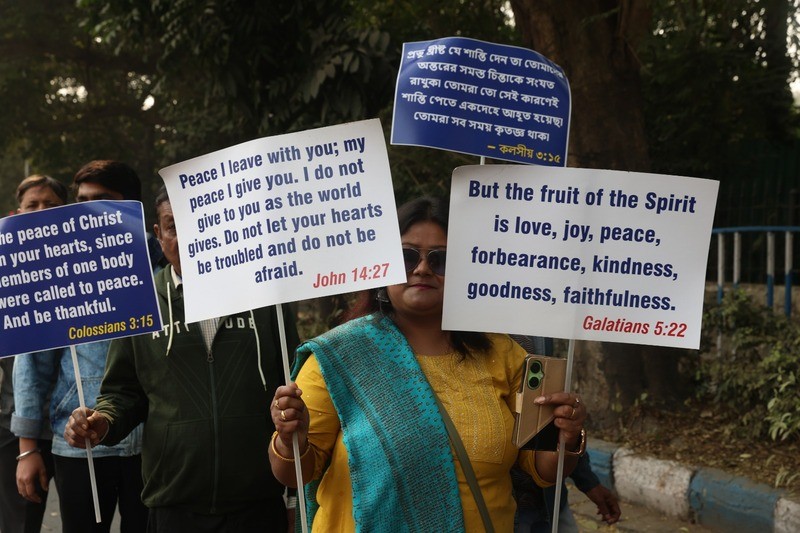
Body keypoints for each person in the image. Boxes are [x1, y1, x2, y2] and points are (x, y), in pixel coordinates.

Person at [268, 196, 587, 532]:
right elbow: (293, 473)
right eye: (406, 256)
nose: (422, 269)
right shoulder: (339, 356)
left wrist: (569, 437)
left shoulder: (506, 356)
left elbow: (542, 468)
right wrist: (291, 440)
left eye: (441, 260)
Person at [64, 186, 300, 533]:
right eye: (174, 226)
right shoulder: (139, 300)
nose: (189, 237)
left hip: (259, 500)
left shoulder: (265, 298)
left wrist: (293, 493)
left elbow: (295, 380)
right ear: (158, 234)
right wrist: (104, 420)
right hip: (173, 502)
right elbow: (123, 392)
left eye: (201, 224)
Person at [12, 161, 156, 533]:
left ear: (131, 206)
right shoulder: (57, 268)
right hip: (79, 443)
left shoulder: (163, 263)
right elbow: (32, 363)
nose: (88, 210)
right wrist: (28, 449)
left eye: (102, 200)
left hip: (155, 442)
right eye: (82, 201)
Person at [0, 175, 67, 533]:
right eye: (32, 206)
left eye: (51, 205)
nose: (41, 212)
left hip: (77, 425)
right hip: (15, 426)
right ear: (17, 212)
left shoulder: (89, 267)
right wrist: (26, 448)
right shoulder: (4, 269)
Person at [509, 335, 621, 531]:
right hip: (495, 510)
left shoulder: (540, 330)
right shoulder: (460, 331)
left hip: (548, 502)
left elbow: (549, 418)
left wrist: (586, 478)